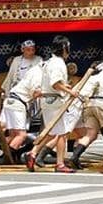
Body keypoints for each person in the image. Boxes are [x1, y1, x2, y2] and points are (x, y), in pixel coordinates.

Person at [25, 35, 83, 173]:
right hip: (54, 101)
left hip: (50, 100)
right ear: (64, 48)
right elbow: (55, 84)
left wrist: (68, 89)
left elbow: (57, 83)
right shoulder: (57, 63)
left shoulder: (51, 62)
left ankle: (32, 153)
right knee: (62, 134)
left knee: (52, 133)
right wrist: (70, 92)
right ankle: (60, 163)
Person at [0, 58, 44, 162]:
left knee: (13, 135)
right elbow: (35, 93)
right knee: (22, 135)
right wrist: (49, 93)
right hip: (17, 102)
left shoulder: (33, 71)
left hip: (12, 101)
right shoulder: (38, 73)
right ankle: (7, 156)